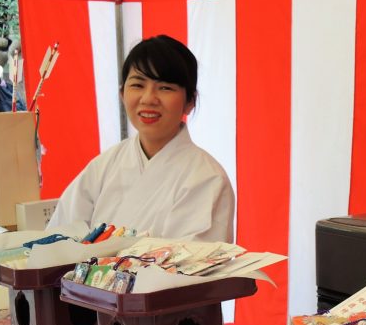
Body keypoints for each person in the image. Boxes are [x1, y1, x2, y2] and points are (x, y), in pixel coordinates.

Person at [48, 35, 234, 242]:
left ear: (190, 101)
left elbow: (194, 266)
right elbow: (60, 235)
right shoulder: (103, 166)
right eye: (137, 85)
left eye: (165, 88)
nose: (148, 99)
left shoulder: (207, 179)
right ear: (122, 93)